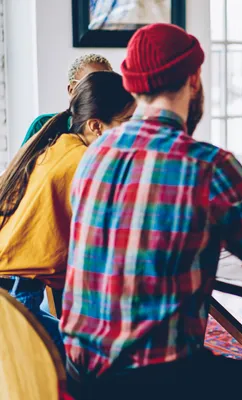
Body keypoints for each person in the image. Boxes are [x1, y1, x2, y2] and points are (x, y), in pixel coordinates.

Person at [60, 23, 242, 400]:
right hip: (158, 382)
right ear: (194, 81)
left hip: (82, 375)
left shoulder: (92, 156)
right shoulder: (207, 166)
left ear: (132, 87)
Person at [0, 71, 135, 362]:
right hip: (14, 298)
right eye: (128, 123)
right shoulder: (84, 163)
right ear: (96, 126)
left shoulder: (56, 144)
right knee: (88, 365)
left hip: (12, 293)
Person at [22, 54, 113, 146]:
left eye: (107, 85)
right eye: (90, 86)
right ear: (71, 90)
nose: (101, 93)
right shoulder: (43, 125)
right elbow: (23, 160)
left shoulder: (117, 129)